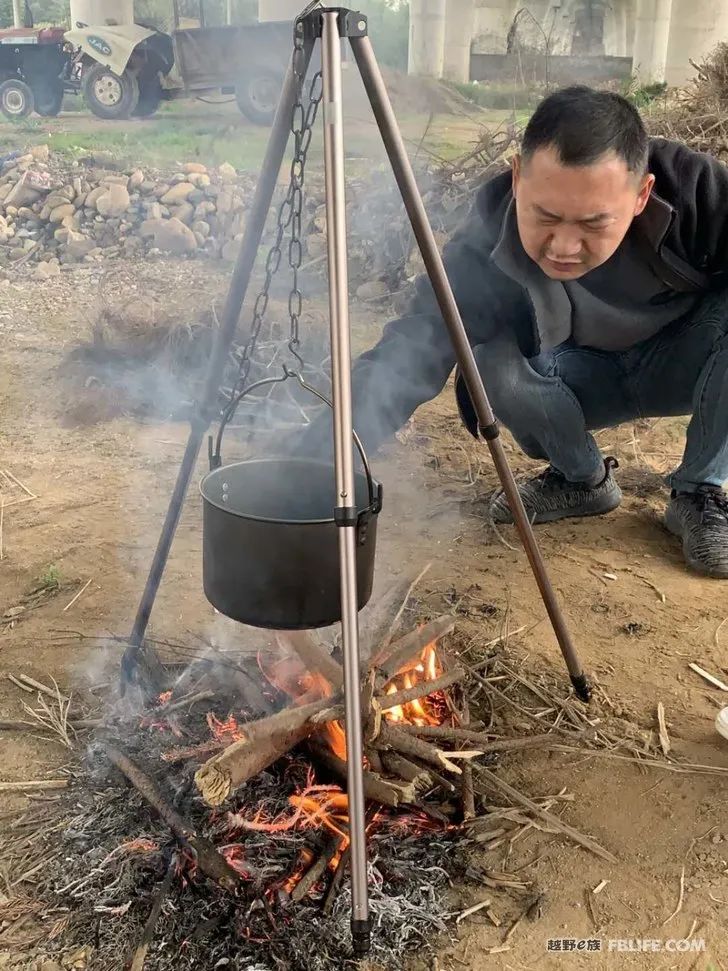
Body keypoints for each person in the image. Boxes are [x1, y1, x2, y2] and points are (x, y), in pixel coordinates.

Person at [306, 85, 728, 578]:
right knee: (489, 362)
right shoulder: (486, 238)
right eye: (545, 217)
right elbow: (414, 344)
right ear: (517, 177)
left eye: (594, 224)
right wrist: (320, 459)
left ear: (641, 195)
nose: (565, 246)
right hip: (575, 379)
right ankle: (582, 480)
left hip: (686, 363)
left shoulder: (700, 193)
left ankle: (701, 493)